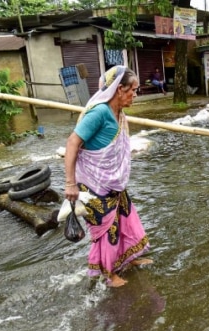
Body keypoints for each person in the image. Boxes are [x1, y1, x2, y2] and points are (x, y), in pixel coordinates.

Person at [64, 66, 152, 288]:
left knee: (124, 221)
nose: (135, 94)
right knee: (107, 232)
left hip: (114, 186)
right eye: (133, 89)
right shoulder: (100, 113)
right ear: (118, 89)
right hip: (94, 188)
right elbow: (73, 143)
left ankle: (128, 259)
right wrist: (70, 183)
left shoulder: (118, 114)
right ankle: (109, 274)